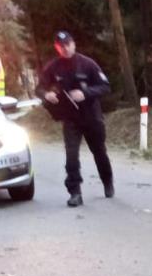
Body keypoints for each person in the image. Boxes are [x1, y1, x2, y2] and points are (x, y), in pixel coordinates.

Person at [37, 31, 114, 207]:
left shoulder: (88, 64)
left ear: (73, 44)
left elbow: (105, 87)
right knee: (71, 156)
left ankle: (107, 181)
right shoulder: (53, 67)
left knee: (99, 152)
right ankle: (75, 192)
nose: (64, 49)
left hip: (91, 116)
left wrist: (85, 93)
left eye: (67, 44)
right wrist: (47, 94)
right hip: (70, 118)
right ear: (57, 48)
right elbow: (39, 88)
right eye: (60, 46)